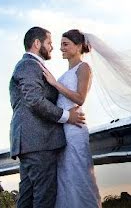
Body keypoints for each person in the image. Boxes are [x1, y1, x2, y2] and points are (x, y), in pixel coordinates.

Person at [10, 27, 85, 208]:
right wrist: (67, 116)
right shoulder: (29, 65)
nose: (52, 47)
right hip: (38, 142)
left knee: (27, 199)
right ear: (37, 43)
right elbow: (34, 100)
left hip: (32, 143)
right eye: (49, 43)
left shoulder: (32, 66)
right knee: (44, 198)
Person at [41, 29, 102, 208]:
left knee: (79, 177)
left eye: (65, 44)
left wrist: (54, 84)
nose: (61, 49)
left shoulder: (84, 68)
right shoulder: (65, 73)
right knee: (65, 179)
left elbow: (80, 98)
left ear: (78, 46)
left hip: (75, 130)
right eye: (60, 45)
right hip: (63, 129)